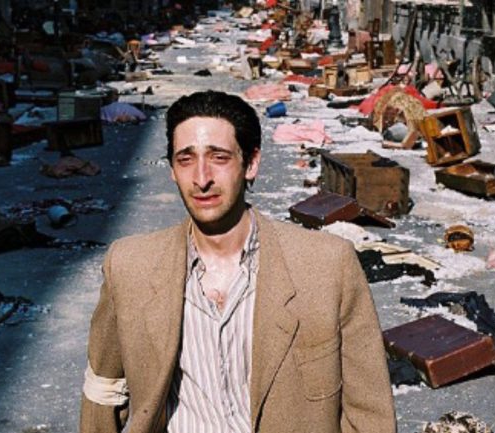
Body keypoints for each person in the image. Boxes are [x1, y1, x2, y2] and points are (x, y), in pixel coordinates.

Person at [80, 91, 395, 433]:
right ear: (172, 169)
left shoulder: (327, 266)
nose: (202, 178)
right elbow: (104, 390)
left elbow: (370, 413)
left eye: (219, 157)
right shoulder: (130, 266)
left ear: (251, 163)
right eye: (186, 159)